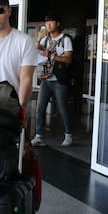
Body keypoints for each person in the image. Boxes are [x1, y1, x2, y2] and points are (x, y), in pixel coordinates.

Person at [31, 14, 74, 147]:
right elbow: (37, 49)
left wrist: (51, 55)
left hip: (59, 79)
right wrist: (38, 39)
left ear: (58, 23)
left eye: (51, 22)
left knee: (62, 108)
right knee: (40, 108)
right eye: (46, 22)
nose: (48, 25)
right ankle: (39, 136)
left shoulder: (65, 39)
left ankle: (68, 135)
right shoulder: (46, 39)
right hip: (46, 79)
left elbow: (68, 59)